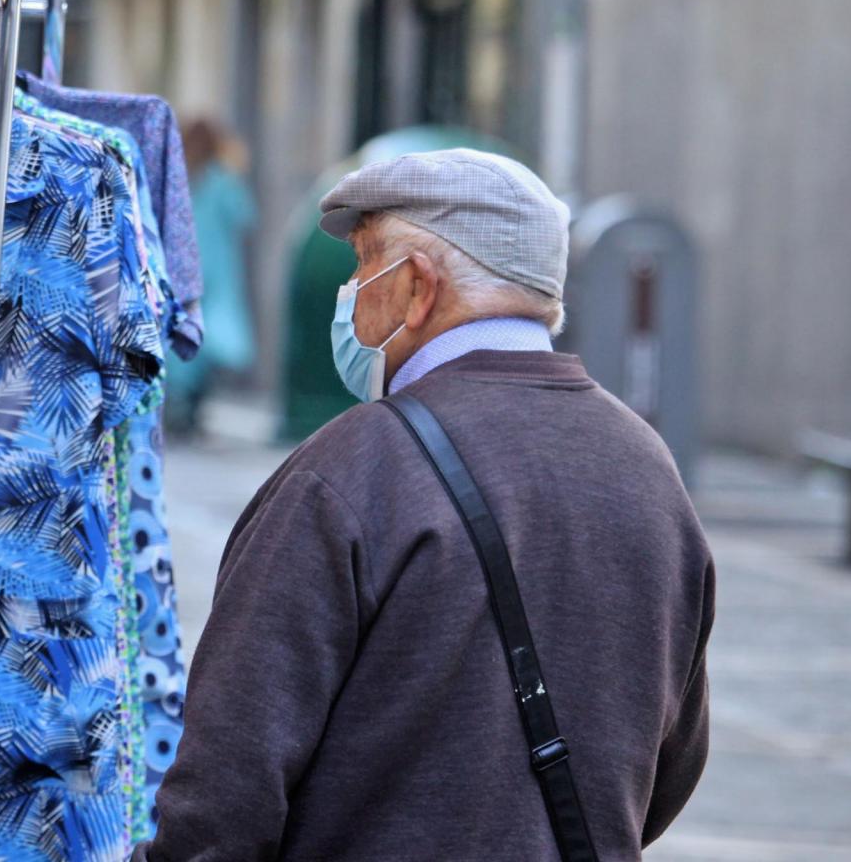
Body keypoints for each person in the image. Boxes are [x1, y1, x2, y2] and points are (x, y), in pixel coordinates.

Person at [136, 148, 714, 861]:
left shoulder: (350, 469)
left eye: (363, 260)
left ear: (416, 287)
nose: (350, 290)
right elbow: (672, 763)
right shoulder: (648, 468)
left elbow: (225, 788)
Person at [167, 118, 257, 435]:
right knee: (210, 337)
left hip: (180, 268)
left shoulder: (176, 177)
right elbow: (245, 217)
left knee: (181, 334)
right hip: (216, 271)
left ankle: (180, 404)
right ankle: (192, 407)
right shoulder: (223, 180)